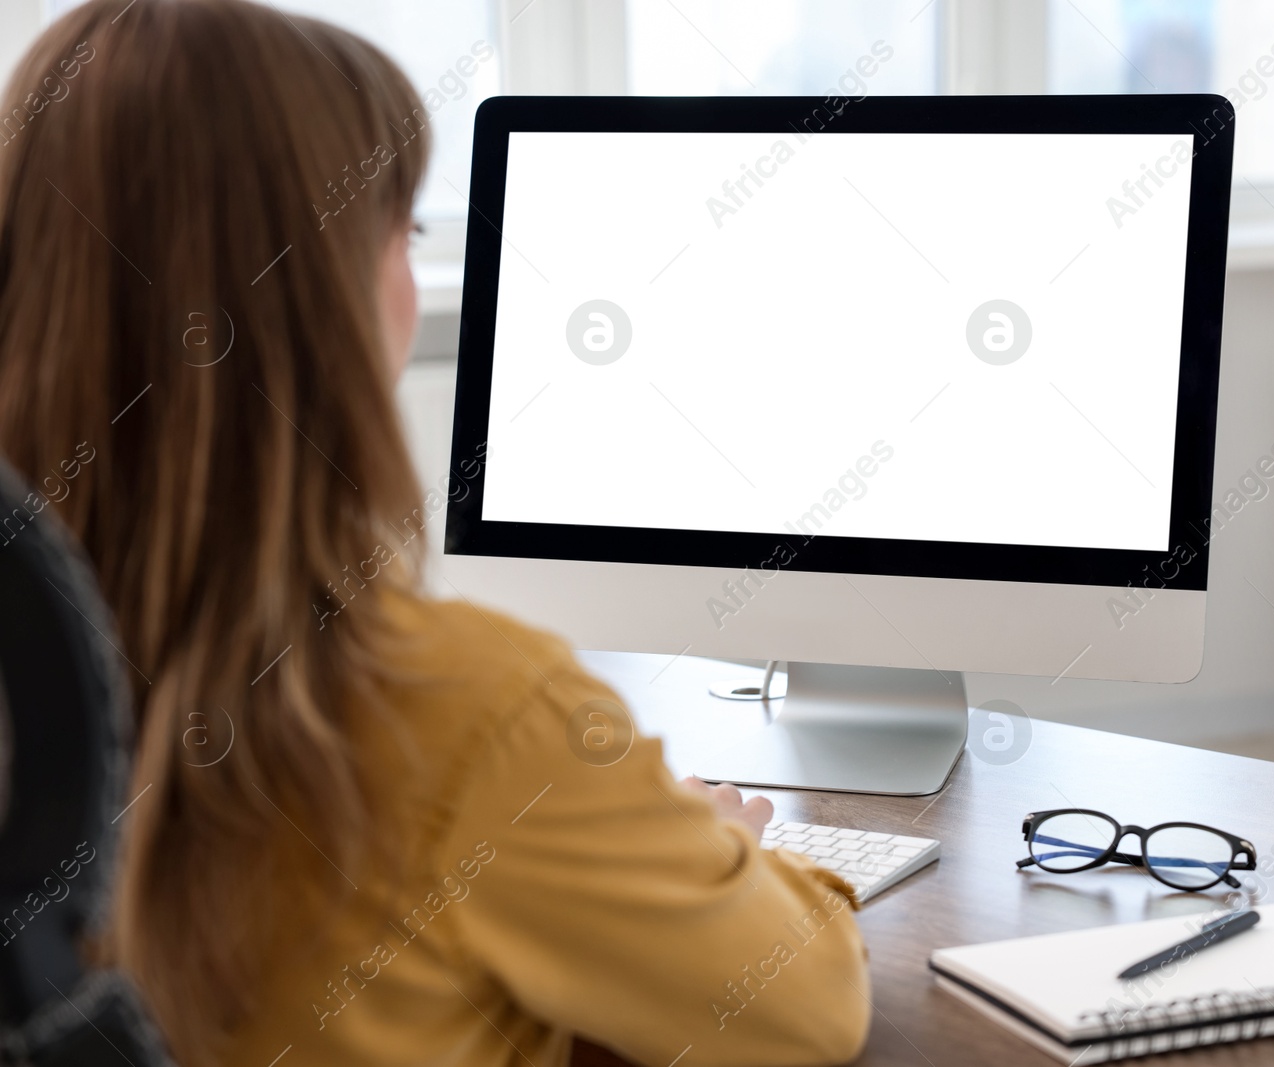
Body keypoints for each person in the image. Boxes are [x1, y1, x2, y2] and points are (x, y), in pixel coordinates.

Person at [0, 2, 870, 1064]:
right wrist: (718, 854)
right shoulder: (468, 713)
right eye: (401, 232)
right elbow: (810, 1007)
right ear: (324, 303)